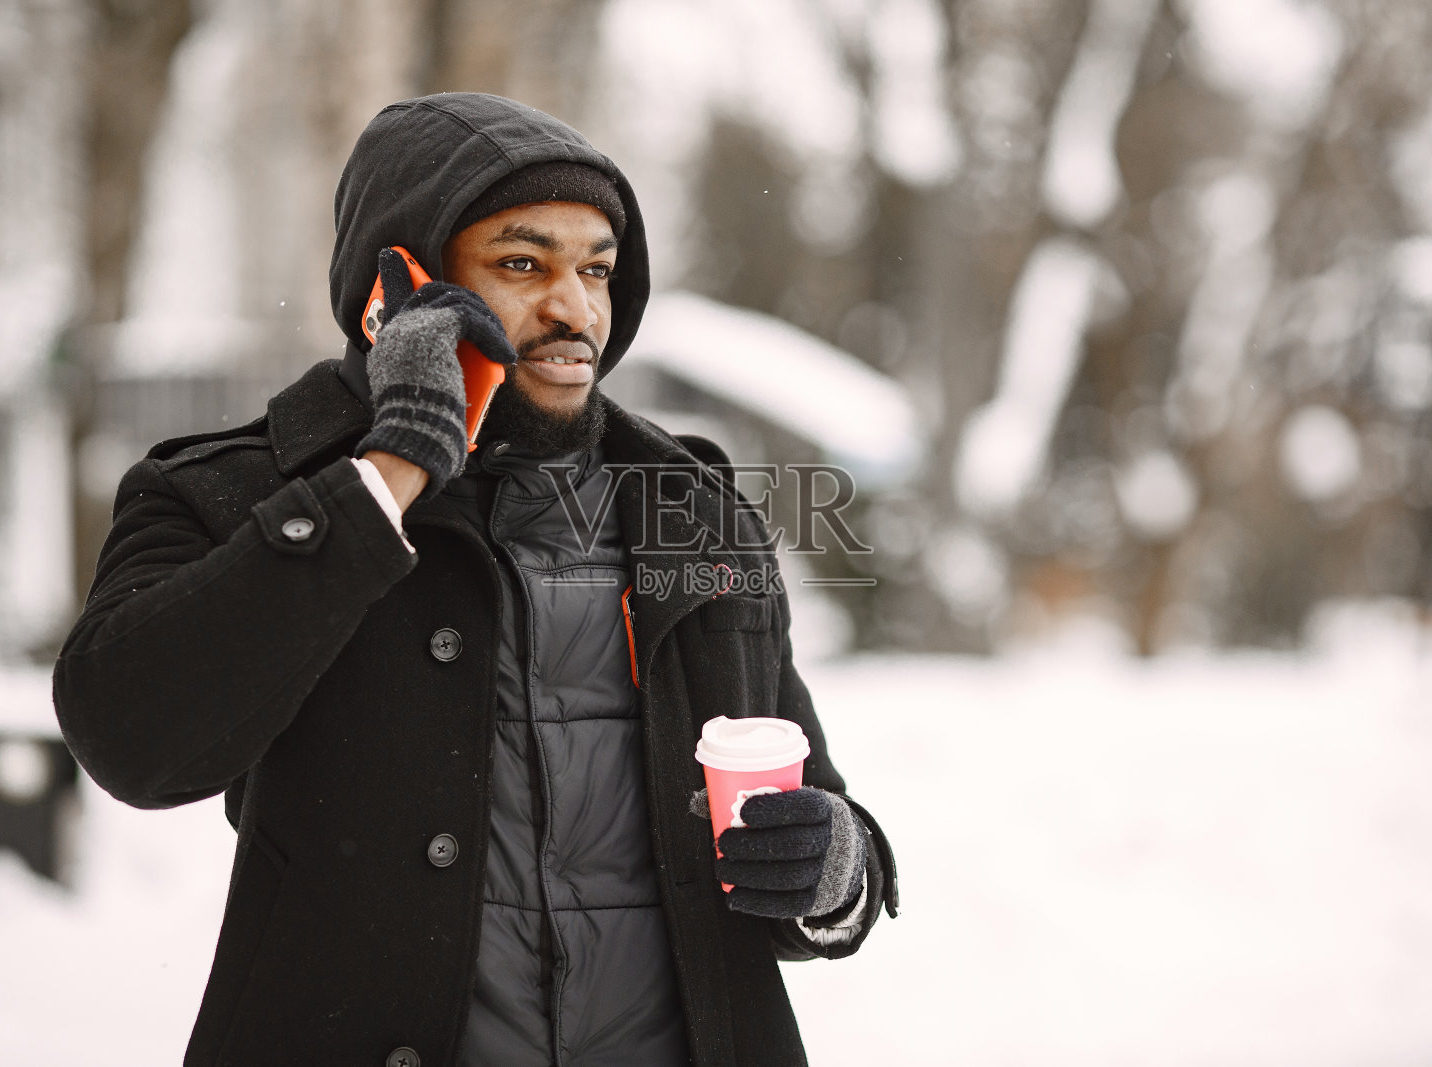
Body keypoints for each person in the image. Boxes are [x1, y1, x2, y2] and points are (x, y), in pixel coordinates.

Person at [53, 92, 897, 1067]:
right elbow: (132, 740)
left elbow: (806, 808)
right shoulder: (236, 493)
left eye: (596, 269)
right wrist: (389, 470)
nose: (577, 310)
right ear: (399, 288)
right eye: (523, 264)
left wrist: (836, 869)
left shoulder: (693, 507)